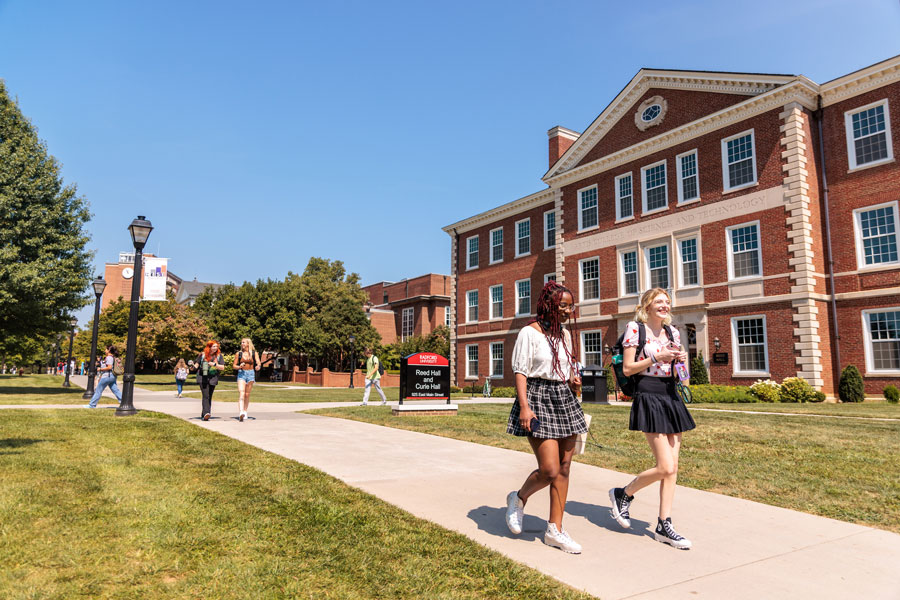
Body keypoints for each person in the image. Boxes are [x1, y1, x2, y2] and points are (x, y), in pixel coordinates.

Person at [608, 287, 696, 550]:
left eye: (667, 302)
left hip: (671, 395)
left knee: (673, 468)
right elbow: (627, 368)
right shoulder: (636, 329)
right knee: (665, 466)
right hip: (649, 393)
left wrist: (681, 363)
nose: (664, 305)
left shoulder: (673, 332)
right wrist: (656, 357)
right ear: (646, 306)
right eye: (658, 301)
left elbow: (682, 373)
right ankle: (623, 493)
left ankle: (663, 524)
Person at [504, 281, 587, 554]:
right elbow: (520, 371)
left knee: (564, 468)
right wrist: (525, 407)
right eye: (562, 305)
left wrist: (574, 380)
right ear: (547, 304)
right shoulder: (529, 333)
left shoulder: (565, 334)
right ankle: (518, 498)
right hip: (538, 397)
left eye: (570, 306)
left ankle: (555, 529)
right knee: (549, 469)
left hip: (563, 397)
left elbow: (567, 365)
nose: (567, 311)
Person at [192, 341, 225, 421]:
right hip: (202, 377)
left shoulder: (219, 356)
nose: (215, 348)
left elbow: (222, 367)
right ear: (209, 347)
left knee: (209, 396)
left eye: (216, 346)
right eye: (213, 346)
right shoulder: (202, 355)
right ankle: (207, 413)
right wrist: (192, 367)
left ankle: (204, 414)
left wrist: (214, 364)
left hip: (213, 377)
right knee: (206, 395)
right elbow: (196, 364)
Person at [232, 338, 261, 421]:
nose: (242, 344)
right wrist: (239, 367)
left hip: (251, 374)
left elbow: (258, 362)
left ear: (248, 344)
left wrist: (258, 366)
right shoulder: (239, 354)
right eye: (241, 342)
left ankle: (245, 411)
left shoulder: (254, 353)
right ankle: (241, 412)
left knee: (247, 394)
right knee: (241, 392)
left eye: (243, 342)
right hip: (241, 373)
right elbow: (234, 365)